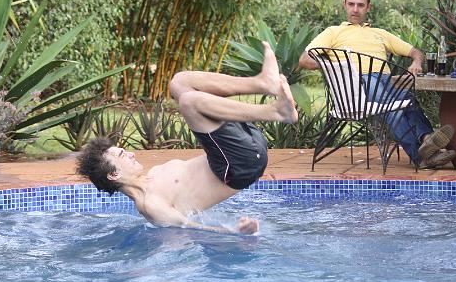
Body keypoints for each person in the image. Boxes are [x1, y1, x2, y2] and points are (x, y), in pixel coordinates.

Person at [76, 42, 298, 234]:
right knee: (189, 102)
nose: (131, 154)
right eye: (123, 154)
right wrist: (235, 231)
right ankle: (276, 112)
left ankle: (263, 83)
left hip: (236, 150)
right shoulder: (151, 205)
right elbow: (190, 228)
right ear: (114, 174)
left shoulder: (154, 174)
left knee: (179, 82)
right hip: (239, 167)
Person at [298, 0, 456, 169]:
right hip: (357, 85)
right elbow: (304, 59)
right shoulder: (333, 32)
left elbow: (415, 52)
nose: (355, 9)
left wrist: (416, 62)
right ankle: (422, 158)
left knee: (408, 100)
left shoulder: (380, 34)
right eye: (351, 4)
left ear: (368, 7)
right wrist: (336, 67)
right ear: (344, 5)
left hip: (385, 82)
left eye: (360, 5)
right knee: (391, 107)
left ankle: (427, 140)